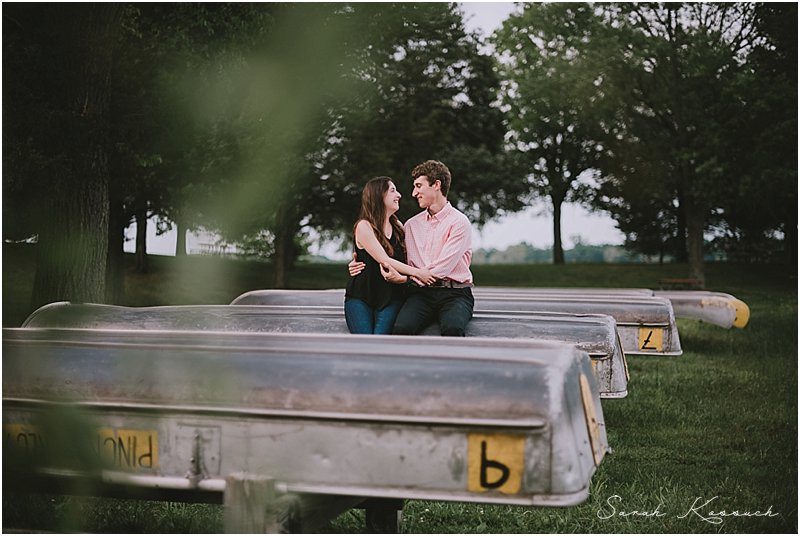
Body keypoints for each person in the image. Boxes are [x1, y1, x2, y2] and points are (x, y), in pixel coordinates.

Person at [350, 160, 475, 337]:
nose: (413, 193)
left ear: (436, 185)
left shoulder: (459, 222)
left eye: (418, 186)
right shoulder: (410, 225)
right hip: (421, 295)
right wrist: (361, 260)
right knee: (401, 329)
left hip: (454, 293)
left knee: (453, 328)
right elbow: (396, 256)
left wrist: (404, 279)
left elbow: (441, 269)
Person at [344, 176, 436, 334]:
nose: (399, 195)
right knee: (365, 342)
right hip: (361, 298)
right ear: (379, 196)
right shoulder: (364, 226)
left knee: (381, 341)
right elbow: (385, 260)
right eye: (393, 191)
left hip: (391, 297)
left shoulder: (398, 226)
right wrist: (419, 273)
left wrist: (410, 276)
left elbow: (409, 258)